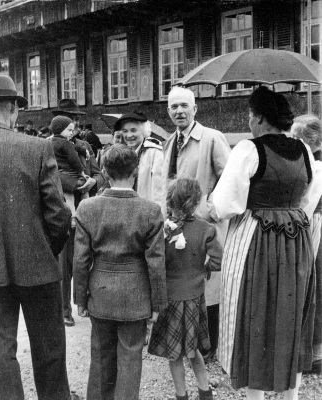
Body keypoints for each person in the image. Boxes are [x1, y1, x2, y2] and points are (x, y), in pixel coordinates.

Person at [198, 86, 317, 400]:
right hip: (296, 240)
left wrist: (208, 206)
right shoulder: (303, 149)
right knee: (290, 314)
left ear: (260, 117)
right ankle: (290, 395)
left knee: (254, 312)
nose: (249, 121)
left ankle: (255, 396)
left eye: (250, 115)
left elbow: (226, 204)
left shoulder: (249, 150)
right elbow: (306, 197)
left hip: (257, 239)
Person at [0, 75, 79, 399]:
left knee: (2, 349)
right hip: (38, 269)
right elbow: (59, 215)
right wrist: (44, 249)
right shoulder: (36, 147)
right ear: (13, 109)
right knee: (50, 351)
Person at [73, 144, 167, 400]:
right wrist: (158, 303)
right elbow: (156, 262)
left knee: (101, 358)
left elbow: (81, 259)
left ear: (104, 170)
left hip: (100, 293)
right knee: (130, 358)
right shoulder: (150, 211)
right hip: (136, 295)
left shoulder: (87, 208)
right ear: (136, 170)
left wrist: (80, 299)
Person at [163, 86, 231, 362]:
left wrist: (206, 208)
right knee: (187, 280)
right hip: (179, 227)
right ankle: (187, 341)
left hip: (204, 224)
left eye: (184, 106)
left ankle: (210, 345)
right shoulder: (170, 142)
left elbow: (229, 181)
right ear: (168, 111)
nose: (179, 111)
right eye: (173, 107)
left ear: (195, 109)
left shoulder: (212, 139)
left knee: (209, 283)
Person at [148, 178, 222, 400]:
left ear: (170, 200)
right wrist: (204, 270)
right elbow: (218, 260)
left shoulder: (161, 229)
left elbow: (155, 263)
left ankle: (181, 395)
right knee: (193, 349)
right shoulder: (206, 229)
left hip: (169, 298)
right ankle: (205, 391)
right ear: (197, 201)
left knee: (174, 354)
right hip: (193, 296)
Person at [53, 98, 105, 327]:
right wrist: (74, 185)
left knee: (84, 260)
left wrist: (94, 180)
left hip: (84, 213)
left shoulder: (84, 146)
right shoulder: (48, 145)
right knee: (63, 264)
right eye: (70, 119)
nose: (74, 125)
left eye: (76, 120)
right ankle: (64, 309)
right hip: (61, 212)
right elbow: (50, 175)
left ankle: (81, 303)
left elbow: (100, 174)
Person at [291, 114, 322, 374]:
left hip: (316, 225)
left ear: (310, 141)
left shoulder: (318, 164)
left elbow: (308, 204)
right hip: (313, 222)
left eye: (296, 137)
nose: (292, 141)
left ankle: (316, 351)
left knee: (315, 282)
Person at [114, 111, 164, 207]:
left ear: (144, 131)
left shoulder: (154, 152)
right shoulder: (124, 152)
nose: (129, 135)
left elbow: (159, 190)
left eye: (133, 130)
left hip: (147, 211)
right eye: (125, 131)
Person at [50, 115, 90, 220]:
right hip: (70, 175)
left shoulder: (50, 141)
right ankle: (86, 212)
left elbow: (73, 146)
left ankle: (72, 217)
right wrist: (81, 172)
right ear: (60, 129)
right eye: (69, 130)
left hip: (59, 176)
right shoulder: (65, 143)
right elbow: (74, 159)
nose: (72, 133)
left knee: (69, 196)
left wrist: (82, 150)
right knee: (85, 188)